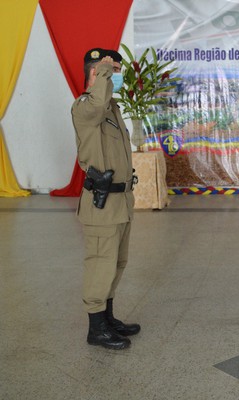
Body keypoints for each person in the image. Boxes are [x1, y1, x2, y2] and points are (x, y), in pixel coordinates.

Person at [72, 48, 140, 350]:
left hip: (120, 201)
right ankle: (96, 329)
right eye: (113, 71)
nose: (117, 77)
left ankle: (108, 318)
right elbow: (97, 102)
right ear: (96, 74)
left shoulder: (111, 108)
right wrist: (102, 71)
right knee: (101, 263)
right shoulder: (86, 107)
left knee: (116, 263)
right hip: (101, 204)